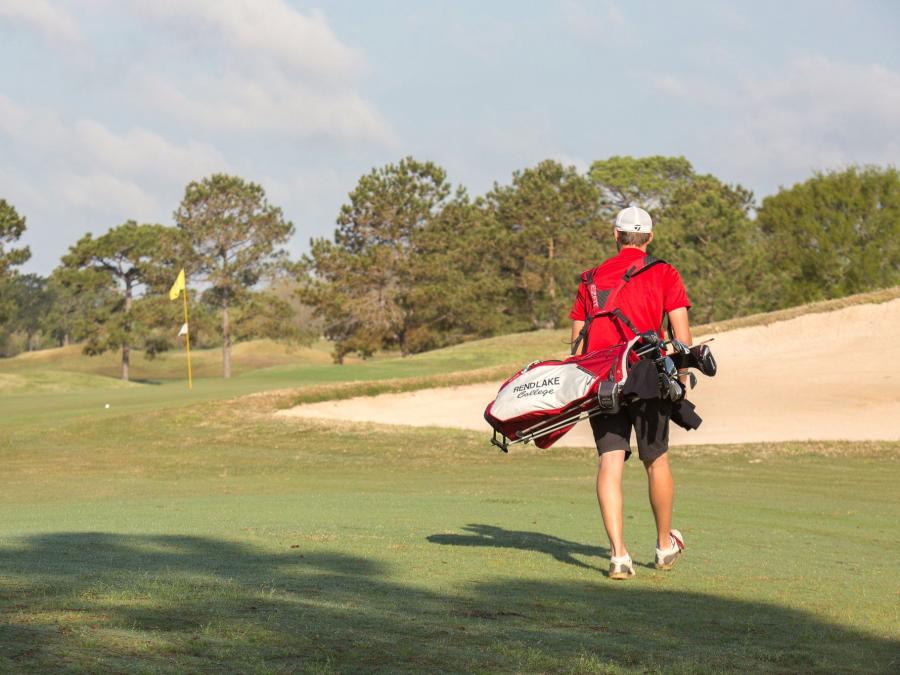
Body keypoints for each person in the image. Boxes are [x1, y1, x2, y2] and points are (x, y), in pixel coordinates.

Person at [569, 206, 692, 580]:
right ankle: (663, 545)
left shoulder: (589, 279)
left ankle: (619, 555)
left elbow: (577, 346)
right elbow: (682, 338)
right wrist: (682, 377)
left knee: (610, 461)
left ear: (615, 235)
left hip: (601, 379)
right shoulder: (665, 273)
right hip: (647, 376)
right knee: (656, 460)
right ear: (650, 238)